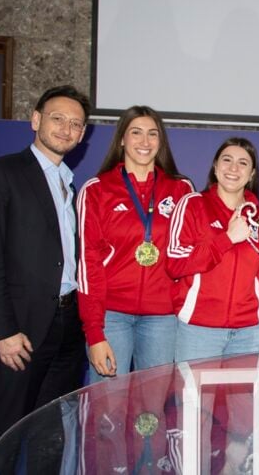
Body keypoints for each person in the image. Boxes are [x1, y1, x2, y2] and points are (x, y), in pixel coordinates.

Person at [0, 85, 91, 463]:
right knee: (5, 434)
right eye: (58, 119)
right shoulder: (1, 173)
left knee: (51, 433)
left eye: (76, 124)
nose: (66, 129)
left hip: (68, 326)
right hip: (18, 329)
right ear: (35, 120)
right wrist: (3, 331)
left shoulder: (70, 183)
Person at [77, 105, 194, 380]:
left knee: (152, 410)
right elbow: (88, 265)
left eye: (153, 134)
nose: (145, 142)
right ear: (121, 139)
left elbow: (190, 256)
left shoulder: (181, 190)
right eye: (136, 133)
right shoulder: (96, 190)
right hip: (111, 316)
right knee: (105, 409)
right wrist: (95, 332)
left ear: (160, 141)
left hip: (162, 318)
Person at [166, 137, 259, 362]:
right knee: (196, 398)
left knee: (246, 398)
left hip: (249, 331)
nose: (233, 168)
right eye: (227, 160)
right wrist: (227, 238)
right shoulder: (192, 204)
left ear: (252, 174)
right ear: (216, 167)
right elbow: (175, 264)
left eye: (243, 163)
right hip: (200, 329)